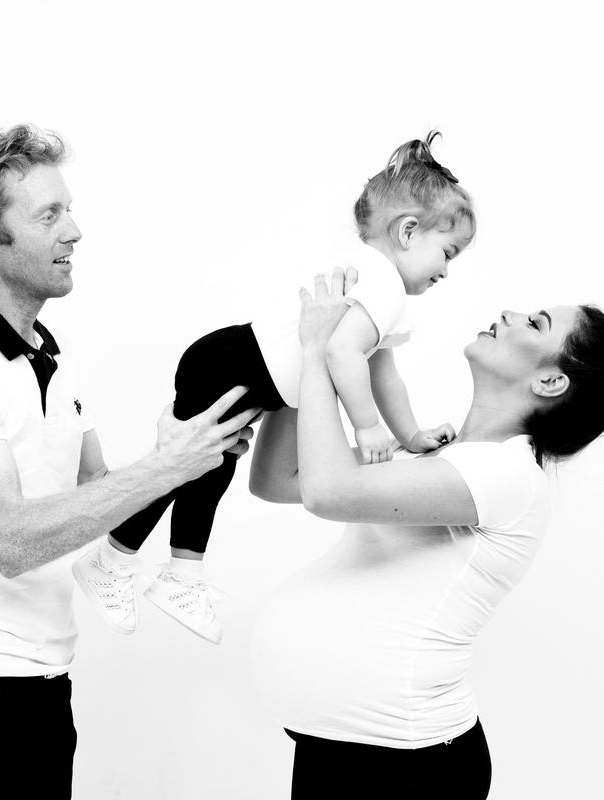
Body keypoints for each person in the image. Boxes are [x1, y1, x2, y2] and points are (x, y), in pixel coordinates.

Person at [0, 124, 260, 799]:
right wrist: (166, 468)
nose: (75, 231)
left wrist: (186, 454)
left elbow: (99, 495)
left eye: (69, 210)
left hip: (41, 684)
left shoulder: (54, 360)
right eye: (48, 215)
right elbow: (12, 539)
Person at [246, 269, 604, 800]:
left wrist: (318, 350)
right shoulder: (439, 455)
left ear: (550, 382)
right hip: (346, 749)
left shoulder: (507, 474)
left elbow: (326, 493)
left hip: (405, 766)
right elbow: (279, 480)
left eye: (536, 323)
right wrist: (308, 359)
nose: (509, 314)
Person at [73, 132, 476, 644]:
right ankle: (122, 562)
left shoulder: (376, 282)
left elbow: (383, 372)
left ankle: (170, 573)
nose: (446, 270)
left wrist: (411, 435)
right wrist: (368, 426)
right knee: (189, 470)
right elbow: (342, 353)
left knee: (202, 473)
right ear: (409, 231)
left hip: (231, 366)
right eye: (448, 252)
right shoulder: (384, 285)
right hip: (229, 367)